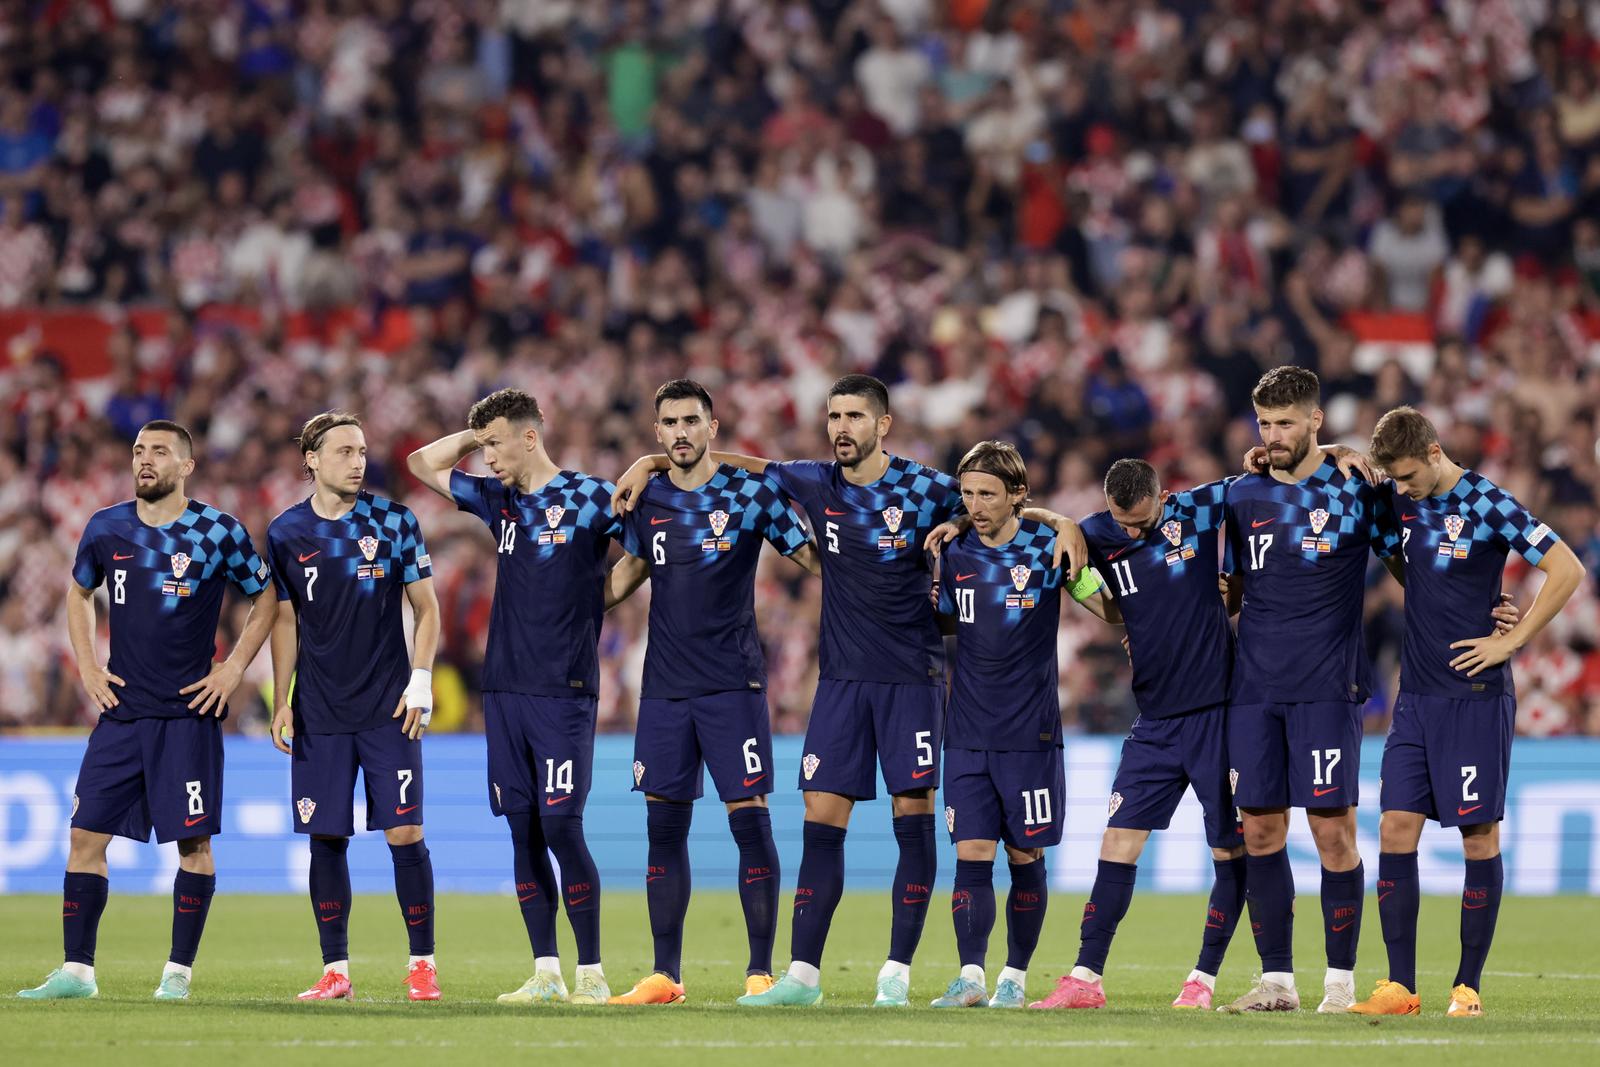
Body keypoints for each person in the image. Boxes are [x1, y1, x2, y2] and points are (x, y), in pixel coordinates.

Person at [614, 374, 1085, 1007]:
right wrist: (648, 461)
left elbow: (997, 502)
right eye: (834, 415)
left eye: (855, 416)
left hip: (911, 679)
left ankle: (896, 973)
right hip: (840, 681)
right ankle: (802, 977)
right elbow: (737, 464)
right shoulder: (816, 481)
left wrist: (1061, 522)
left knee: (911, 823)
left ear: (882, 424)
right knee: (819, 818)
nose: (842, 427)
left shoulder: (926, 489)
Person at [18, 421, 277, 1002]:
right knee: (85, 836)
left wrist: (232, 668)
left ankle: (177, 976)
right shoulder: (106, 527)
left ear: (187, 465)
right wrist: (87, 664)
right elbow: (79, 593)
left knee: (194, 846)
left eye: (159, 451)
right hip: (122, 713)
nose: (145, 460)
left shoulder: (218, 531)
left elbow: (266, 598)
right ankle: (77, 973)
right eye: (139, 450)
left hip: (188, 714)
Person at [1350, 407, 1584, 1018]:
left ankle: (1467, 987)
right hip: (1416, 699)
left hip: (1475, 699)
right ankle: (1400, 986)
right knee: (1396, 829)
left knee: (1478, 839)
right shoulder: (1400, 500)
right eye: (1391, 479)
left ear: (1432, 452)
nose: (1399, 489)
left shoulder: (1486, 500)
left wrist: (1513, 639)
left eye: (1405, 475)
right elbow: (1405, 558)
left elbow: (1566, 567)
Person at [602, 379, 822, 1005]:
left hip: (733, 684)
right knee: (662, 831)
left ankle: (759, 970)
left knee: (749, 825)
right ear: (657, 432)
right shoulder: (648, 501)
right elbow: (627, 574)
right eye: (668, 423)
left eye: (690, 421)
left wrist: (879, 585)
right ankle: (665, 975)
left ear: (712, 427)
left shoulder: (751, 493)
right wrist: (557, 612)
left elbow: (813, 558)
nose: (679, 433)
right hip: (667, 690)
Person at [407, 388, 621, 1005]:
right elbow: (424, 463)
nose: (489, 458)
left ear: (531, 436)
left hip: (563, 688)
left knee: (562, 825)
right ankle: (547, 971)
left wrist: (599, 599)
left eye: (499, 443)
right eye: (485, 446)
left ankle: (593, 973)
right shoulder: (499, 501)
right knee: (522, 830)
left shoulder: (589, 496)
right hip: (503, 690)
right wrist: (478, 434)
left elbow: (642, 550)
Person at [1028, 458, 1245, 1012]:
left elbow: (1279, 478)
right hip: (1154, 722)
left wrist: (1336, 452)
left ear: (1163, 497)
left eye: (1142, 523)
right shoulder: (1100, 530)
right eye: (1121, 522)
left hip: (1217, 714)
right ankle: (1085, 978)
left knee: (1228, 848)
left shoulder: (1198, 509)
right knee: (1117, 842)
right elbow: (1106, 601)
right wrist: (1065, 524)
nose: (1130, 532)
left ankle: (1203, 980)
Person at [1218, 366, 1402, 1013]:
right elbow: (1232, 587)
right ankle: (1277, 983)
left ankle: (1340, 985)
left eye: (1285, 422)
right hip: (1254, 690)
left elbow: (1410, 565)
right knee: (1261, 832)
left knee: (1333, 834)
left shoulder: (1356, 487)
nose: (1272, 434)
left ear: (1316, 421)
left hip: (1327, 687)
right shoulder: (1243, 494)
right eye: (1264, 422)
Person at [925, 441, 1109, 1009]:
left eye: (987, 494)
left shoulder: (1050, 547)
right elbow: (945, 624)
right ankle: (972, 977)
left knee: (1024, 855)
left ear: (1017, 496)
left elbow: (1104, 606)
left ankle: (1016, 976)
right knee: (972, 853)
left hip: (1031, 735)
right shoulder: (953, 553)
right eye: (968, 494)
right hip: (968, 731)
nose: (975, 505)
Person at [266, 412, 442, 1002]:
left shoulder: (393, 522)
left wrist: (421, 678)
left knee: (405, 832)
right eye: (344, 451)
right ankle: (335, 970)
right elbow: (285, 618)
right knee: (327, 838)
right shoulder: (286, 532)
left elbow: (427, 607)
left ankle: (422, 965)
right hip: (319, 711)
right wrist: (282, 698)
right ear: (311, 459)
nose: (358, 460)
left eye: (362, 450)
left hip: (389, 708)